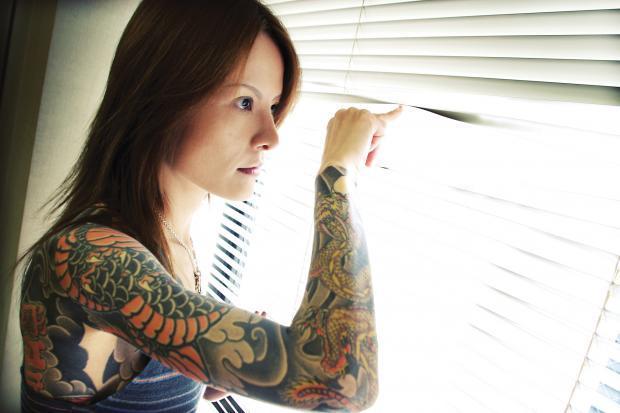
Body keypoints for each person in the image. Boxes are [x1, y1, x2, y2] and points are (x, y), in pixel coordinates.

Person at [18, 0, 402, 412]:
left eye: (273, 107)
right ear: (162, 97)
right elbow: (341, 383)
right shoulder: (88, 257)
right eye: (244, 102)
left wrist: (205, 369)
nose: (271, 136)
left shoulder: (170, 235)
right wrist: (338, 174)